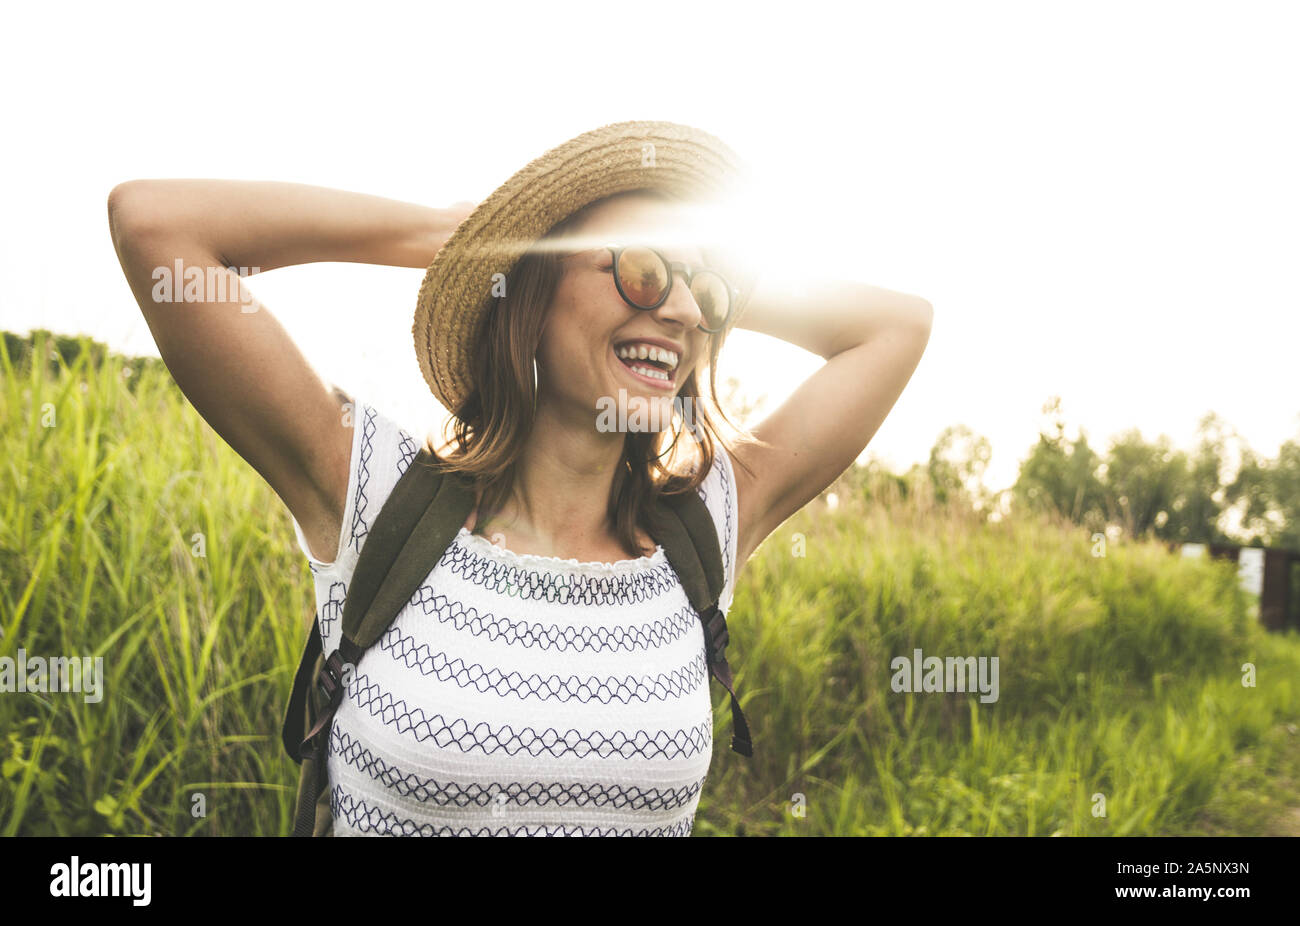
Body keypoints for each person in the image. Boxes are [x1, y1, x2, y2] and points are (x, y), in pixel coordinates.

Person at [107, 121, 933, 836]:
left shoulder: (708, 522)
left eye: (703, 299)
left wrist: (700, 285)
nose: (682, 314)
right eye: (642, 272)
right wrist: (464, 239)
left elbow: (896, 326)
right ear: (532, 292)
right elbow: (156, 224)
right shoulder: (374, 495)